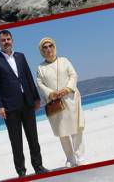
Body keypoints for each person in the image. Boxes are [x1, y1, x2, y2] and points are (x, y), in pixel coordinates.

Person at [0, 30, 49, 177]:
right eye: (3, 40)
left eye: (8, 39)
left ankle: (39, 167)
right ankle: (21, 172)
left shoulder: (21, 56)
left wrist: (36, 98)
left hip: (27, 102)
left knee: (33, 138)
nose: (6, 42)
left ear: (12, 40)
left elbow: (28, 77)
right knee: (16, 142)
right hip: (9, 107)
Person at [35, 37, 86, 167]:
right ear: (42, 50)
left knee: (76, 129)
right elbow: (39, 83)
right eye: (45, 47)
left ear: (54, 47)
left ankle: (80, 156)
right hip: (55, 103)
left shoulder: (64, 61)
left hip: (70, 99)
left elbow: (73, 75)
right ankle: (70, 158)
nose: (48, 49)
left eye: (50, 46)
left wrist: (68, 88)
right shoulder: (41, 68)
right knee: (62, 132)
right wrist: (51, 93)